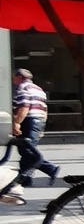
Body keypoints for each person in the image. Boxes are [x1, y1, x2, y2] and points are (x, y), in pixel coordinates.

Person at [0, 69, 61, 204]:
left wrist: (17, 123)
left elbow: (24, 107)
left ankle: (50, 168)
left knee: (27, 150)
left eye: (14, 78)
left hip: (29, 121)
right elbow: (44, 109)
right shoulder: (39, 89)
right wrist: (42, 126)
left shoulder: (23, 88)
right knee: (26, 150)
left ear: (19, 77)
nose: (13, 80)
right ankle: (26, 178)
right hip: (38, 121)